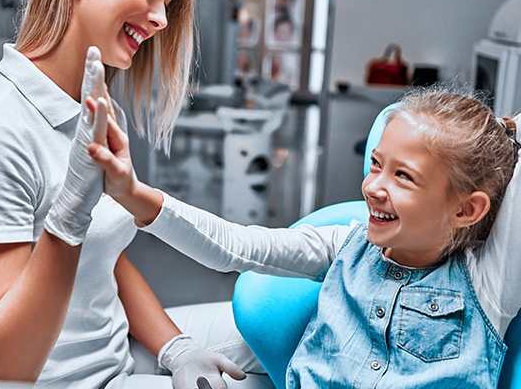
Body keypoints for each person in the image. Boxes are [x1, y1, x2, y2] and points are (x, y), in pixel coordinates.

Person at [0, 0, 260, 387]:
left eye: (168, 2)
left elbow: (103, 255)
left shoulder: (86, 103)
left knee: (308, 326)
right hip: (71, 380)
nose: (160, 18)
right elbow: (4, 366)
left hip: (121, 352)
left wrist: (176, 349)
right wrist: (69, 214)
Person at [87, 85, 521, 388]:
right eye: (375, 164)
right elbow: (237, 245)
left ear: (467, 209)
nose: (372, 186)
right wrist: (134, 195)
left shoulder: (487, 285)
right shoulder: (347, 247)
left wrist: (509, 133)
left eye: (403, 176)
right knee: (132, 358)